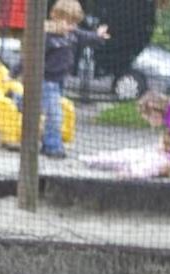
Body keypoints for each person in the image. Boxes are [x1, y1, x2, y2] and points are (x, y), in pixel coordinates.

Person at [41, 0, 109, 158]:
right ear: (55, 17)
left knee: (50, 112)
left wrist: (98, 36)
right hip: (47, 81)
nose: (70, 26)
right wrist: (17, 71)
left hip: (59, 81)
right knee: (55, 114)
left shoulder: (73, 34)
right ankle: (53, 146)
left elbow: (87, 37)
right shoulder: (47, 36)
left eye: (73, 23)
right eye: (66, 22)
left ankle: (47, 143)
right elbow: (29, 55)